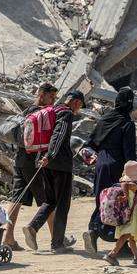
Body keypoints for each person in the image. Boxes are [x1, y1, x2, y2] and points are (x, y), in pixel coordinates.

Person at [23, 90, 86, 253]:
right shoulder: (66, 113)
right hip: (59, 164)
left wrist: (45, 156)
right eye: (79, 105)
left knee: (50, 200)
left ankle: (33, 227)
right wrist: (50, 155)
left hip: (45, 162)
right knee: (63, 203)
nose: (78, 109)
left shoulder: (53, 110)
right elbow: (59, 134)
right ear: (76, 102)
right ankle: (57, 244)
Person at [82, 87, 136, 256]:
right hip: (117, 167)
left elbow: (91, 143)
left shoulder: (105, 119)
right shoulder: (127, 123)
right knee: (121, 203)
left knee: (102, 200)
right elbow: (129, 152)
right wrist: (132, 173)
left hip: (101, 164)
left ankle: (93, 231)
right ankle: (121, 246)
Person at [3, 82, 57, 250]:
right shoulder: (42, 114)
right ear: (41, 95)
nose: (53, 101)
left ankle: (8, 238)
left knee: (16, 198)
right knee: (48, 200)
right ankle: (57, 239)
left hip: (20, 160)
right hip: (34, 161)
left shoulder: (26, 112)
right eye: (51, 97)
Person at [103, 160, 137, 266]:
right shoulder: (134, 185)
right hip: (131, 215)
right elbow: (125, 184)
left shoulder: (127, 182)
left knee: (131, 236)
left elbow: (124, 183)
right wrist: (126, 195)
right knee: (126, 234)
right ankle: (112, 254)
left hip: (127, 213)